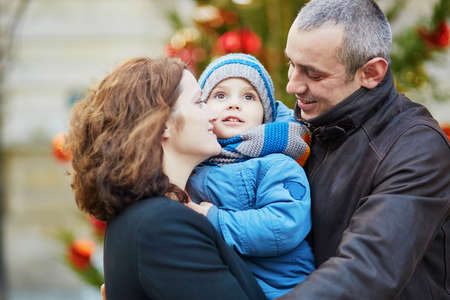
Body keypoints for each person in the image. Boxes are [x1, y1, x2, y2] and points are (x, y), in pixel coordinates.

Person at [279, 0, 450, 299]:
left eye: (313, 74)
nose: (293, 85)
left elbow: (366, 269)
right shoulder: (298, 129)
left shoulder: (417, 147)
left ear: (371, 72)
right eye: (291, 64)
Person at [67, 57, 266, 300]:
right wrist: (327, 279)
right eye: (199, 102)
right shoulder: (163, 224)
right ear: (163, 124)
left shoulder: (142, 216)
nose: (213, 115)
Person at [185, 53, 315, 299]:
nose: (234, 104)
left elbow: (285, 223)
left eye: (248, 96)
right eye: (220, 95)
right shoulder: (194, 162)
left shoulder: (276, 163)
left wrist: (217, 221)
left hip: (282, 288)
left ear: (264, 114)